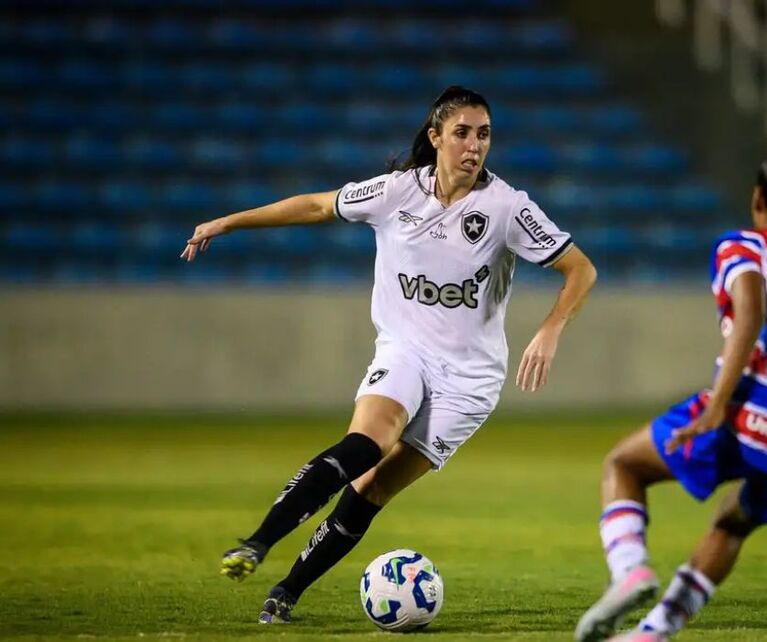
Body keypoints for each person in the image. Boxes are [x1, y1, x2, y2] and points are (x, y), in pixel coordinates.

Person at [181, 85, 598, 624]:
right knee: (365, 444)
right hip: (406, 351)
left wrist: (550, 328)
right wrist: (228, 222)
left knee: (372, 488)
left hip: (469, 381)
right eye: (462, 133)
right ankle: (257, 542)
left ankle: (287, 591)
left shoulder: (507, 207)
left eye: (484, 134)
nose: (474, 145)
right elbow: (317, 205)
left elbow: (580, 269)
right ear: (436, 137)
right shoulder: (398, 191)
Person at [574, 124, 767, 642]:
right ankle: (654, 631)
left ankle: (630, 570)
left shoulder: (745, 246)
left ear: (758, 198)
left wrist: (718, 404)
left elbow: (750, 313)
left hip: (751, 413)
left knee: (624, 465)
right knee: (732, 521)